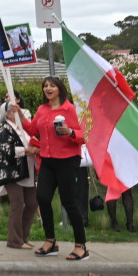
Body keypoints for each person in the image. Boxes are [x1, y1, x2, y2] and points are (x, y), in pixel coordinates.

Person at [22, 76, 90, 260]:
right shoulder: (42, 109)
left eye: (52, 85)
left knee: (69, 202)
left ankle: (81, 245)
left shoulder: (71, 109)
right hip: (47, 160)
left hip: (68, 160)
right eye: (45, 86)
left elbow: (84, 136)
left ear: (59, 89)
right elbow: (33, 130)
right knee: (42, 198)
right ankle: (51, 241)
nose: (48, 88)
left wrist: (69, 132)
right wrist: (18, 115)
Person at [0, 97, 39, 249]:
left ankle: (23, 236)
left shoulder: (23, 128)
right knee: (17, 204)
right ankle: (14, 240)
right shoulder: (4, 128)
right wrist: (26, 150)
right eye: (13, 111)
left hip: (28, 171)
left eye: (18, 110)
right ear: (7, 114)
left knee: (33, 203)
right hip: (12, 172)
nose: (17, 112)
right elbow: (4, 149)